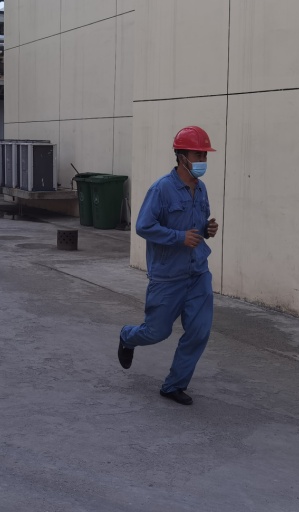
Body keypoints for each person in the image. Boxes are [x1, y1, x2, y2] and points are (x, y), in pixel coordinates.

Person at [118, 126, 219, 406]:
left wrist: (207, 229)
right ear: (181, 156)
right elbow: (143, 226)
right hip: (168, 276)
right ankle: (127, 337)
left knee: (199, 331)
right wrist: (178, 237)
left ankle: (174, 385)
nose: (203, 160)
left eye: (205, 155)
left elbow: (196, 224)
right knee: (156, 332)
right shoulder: (161, 189)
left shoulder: (201, 189)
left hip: (198, 273)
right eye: (198, 155)